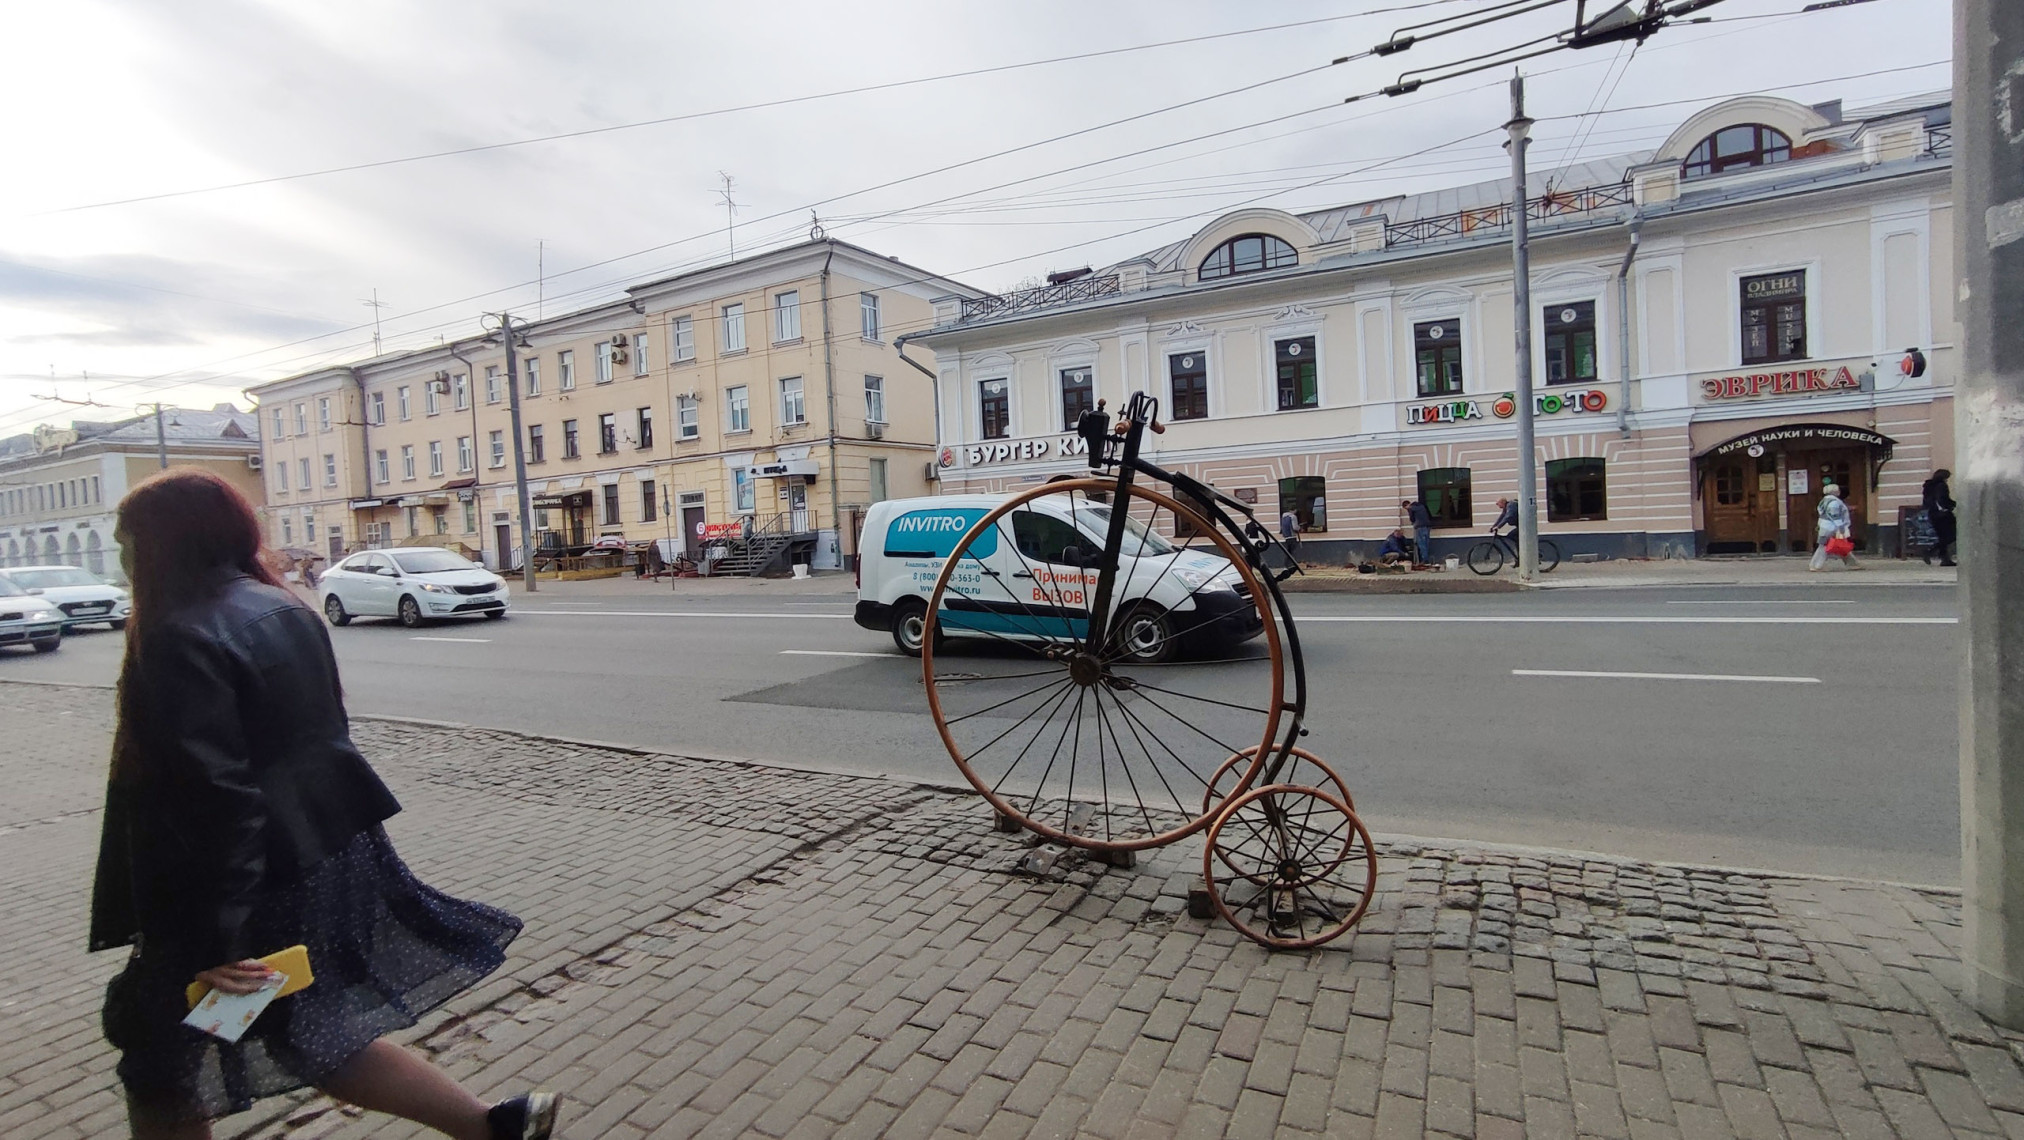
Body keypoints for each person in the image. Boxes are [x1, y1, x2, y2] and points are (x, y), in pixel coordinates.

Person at [90, 469, 557, 1140]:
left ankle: (491, 1126)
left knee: (160, 1056)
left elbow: (215, 799)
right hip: (319, 856)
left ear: (167, 540)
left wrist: (219, 938)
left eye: (128, 534)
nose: (120, 548)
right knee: (298, 1028)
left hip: (238, 888)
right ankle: (495, 1125)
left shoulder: (178, 634)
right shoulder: (277, 603)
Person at [1808, 483, 1861, 571]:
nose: (1839, 492)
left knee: (1838, 545)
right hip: (1832, 528)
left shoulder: (1824, 501)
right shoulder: (1834, 502)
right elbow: (1834, 515)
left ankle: (1852, 563)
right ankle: (1816, 565)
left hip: (1824, 526)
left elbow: (1822, 511)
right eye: (1838, 490)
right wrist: (1841, 527)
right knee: (1829, 546)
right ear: (1835, 492)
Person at [1922, 468, 1957, 566]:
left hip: (1933, 514)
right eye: (1947, 477)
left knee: (1942, 537)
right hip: (1942, 515)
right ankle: (1930, 551)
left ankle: (1944, 559)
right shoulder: (1941, 485)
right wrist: (1951, 505)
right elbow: (1942, 499)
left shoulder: (1929, 486)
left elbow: (1927, 501)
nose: (1947, 479)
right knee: (1952, 535)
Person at [1403, 499, 1433, 565]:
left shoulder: (1411, 508)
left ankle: (1425, 560)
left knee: (1421, 544)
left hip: (1419, 527)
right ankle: (1426, 559)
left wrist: (1414, 523)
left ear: (1406, 506)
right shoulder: (1422, 506)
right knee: (1426, 543)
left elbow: (1412, 519)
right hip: (1427, 526)